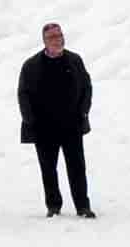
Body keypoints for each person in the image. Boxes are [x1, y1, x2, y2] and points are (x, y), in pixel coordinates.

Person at [17, 22, 95, 219]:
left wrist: (83, 112)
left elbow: (87, 87)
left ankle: (82, 206)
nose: (58, 39)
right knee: (48, 169)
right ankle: (53, 206)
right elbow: (23, 95)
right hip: (44, 128)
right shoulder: (31, 65)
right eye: (53, 37)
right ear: (44, 41)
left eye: (59, 35)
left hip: (71, 126)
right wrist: (31, 120)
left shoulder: (75, 60)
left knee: (77, 167)